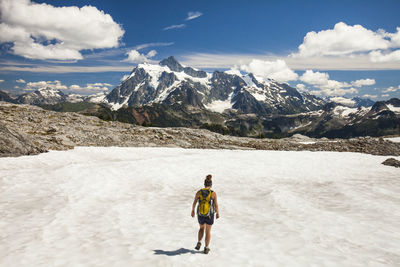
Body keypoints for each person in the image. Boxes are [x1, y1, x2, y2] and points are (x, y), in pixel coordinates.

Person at [191, 174, 219, 254]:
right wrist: (217, 213)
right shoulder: (213, 193)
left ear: (204, 184)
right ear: (211, 184)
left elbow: (194, 202)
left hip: (200, 214)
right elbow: (216, 205)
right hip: (209, 214)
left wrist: (192, 210)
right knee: (208, 231)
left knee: (201, 228)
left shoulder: (199, 192)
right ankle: (206, 248)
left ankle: (199, 242)